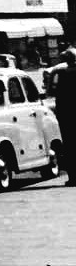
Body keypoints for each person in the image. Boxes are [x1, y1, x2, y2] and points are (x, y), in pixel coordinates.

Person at [54, 47, 76, 186]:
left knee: (70, 147)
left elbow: (59, 96)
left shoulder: (63, 73)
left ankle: (73, 177)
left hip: (67, 117)